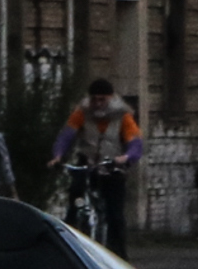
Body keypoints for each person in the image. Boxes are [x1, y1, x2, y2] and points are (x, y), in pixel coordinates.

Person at [47, 78, 144, 258]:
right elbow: (66, 136)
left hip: (112, 166)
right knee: (74, 203)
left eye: (102, 100)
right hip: (88, 164)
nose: (98, 104)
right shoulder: (82, 113)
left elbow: (135, 144)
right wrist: (58, 156)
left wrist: (126, 157)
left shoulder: (123, 117)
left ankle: (120, 257)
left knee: (115, 215)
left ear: (111, 99)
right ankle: (68, 249)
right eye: (94, 100)